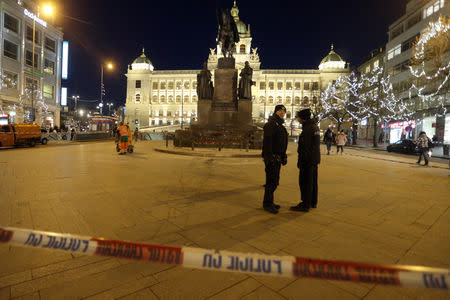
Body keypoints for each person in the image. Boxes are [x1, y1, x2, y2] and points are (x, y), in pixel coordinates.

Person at [290, 109, 321, 212]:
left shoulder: (308, 129)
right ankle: (313, 202)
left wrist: (302, 161)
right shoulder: (315, 126)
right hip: (314, 160)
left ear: (302, 118)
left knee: (305, 182)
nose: (297, 119)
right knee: (313, 182)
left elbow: (305, 147)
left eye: (298, 117)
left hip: (307, 161)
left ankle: (305, 204)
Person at [261, 105, 288, 214]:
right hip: (272, 158)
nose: (282, 113)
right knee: (271, 182)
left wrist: (283, 156)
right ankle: (267, 203)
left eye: (284, 111)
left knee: (274, 181)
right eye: (280, 111)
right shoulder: (271, 124)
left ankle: (270, 202)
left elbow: (282, 143)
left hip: (278, 158)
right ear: (276, 112)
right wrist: (269, 157)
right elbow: (267, 143)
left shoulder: (280, 125)